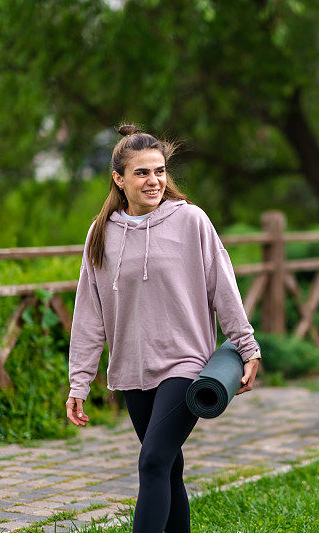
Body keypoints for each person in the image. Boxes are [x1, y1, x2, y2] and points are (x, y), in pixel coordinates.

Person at [65, 125, 261, 533]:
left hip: (185, 364)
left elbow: (222, 287)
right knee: (168, 469)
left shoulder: (191, 221)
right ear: (119, 179)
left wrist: (247, 346)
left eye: (160, 171)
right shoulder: (100, 234)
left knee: (152, 460)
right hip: (133, 371)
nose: (154, 181)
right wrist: (79, 382)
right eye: (142, 173)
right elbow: (89, 313)